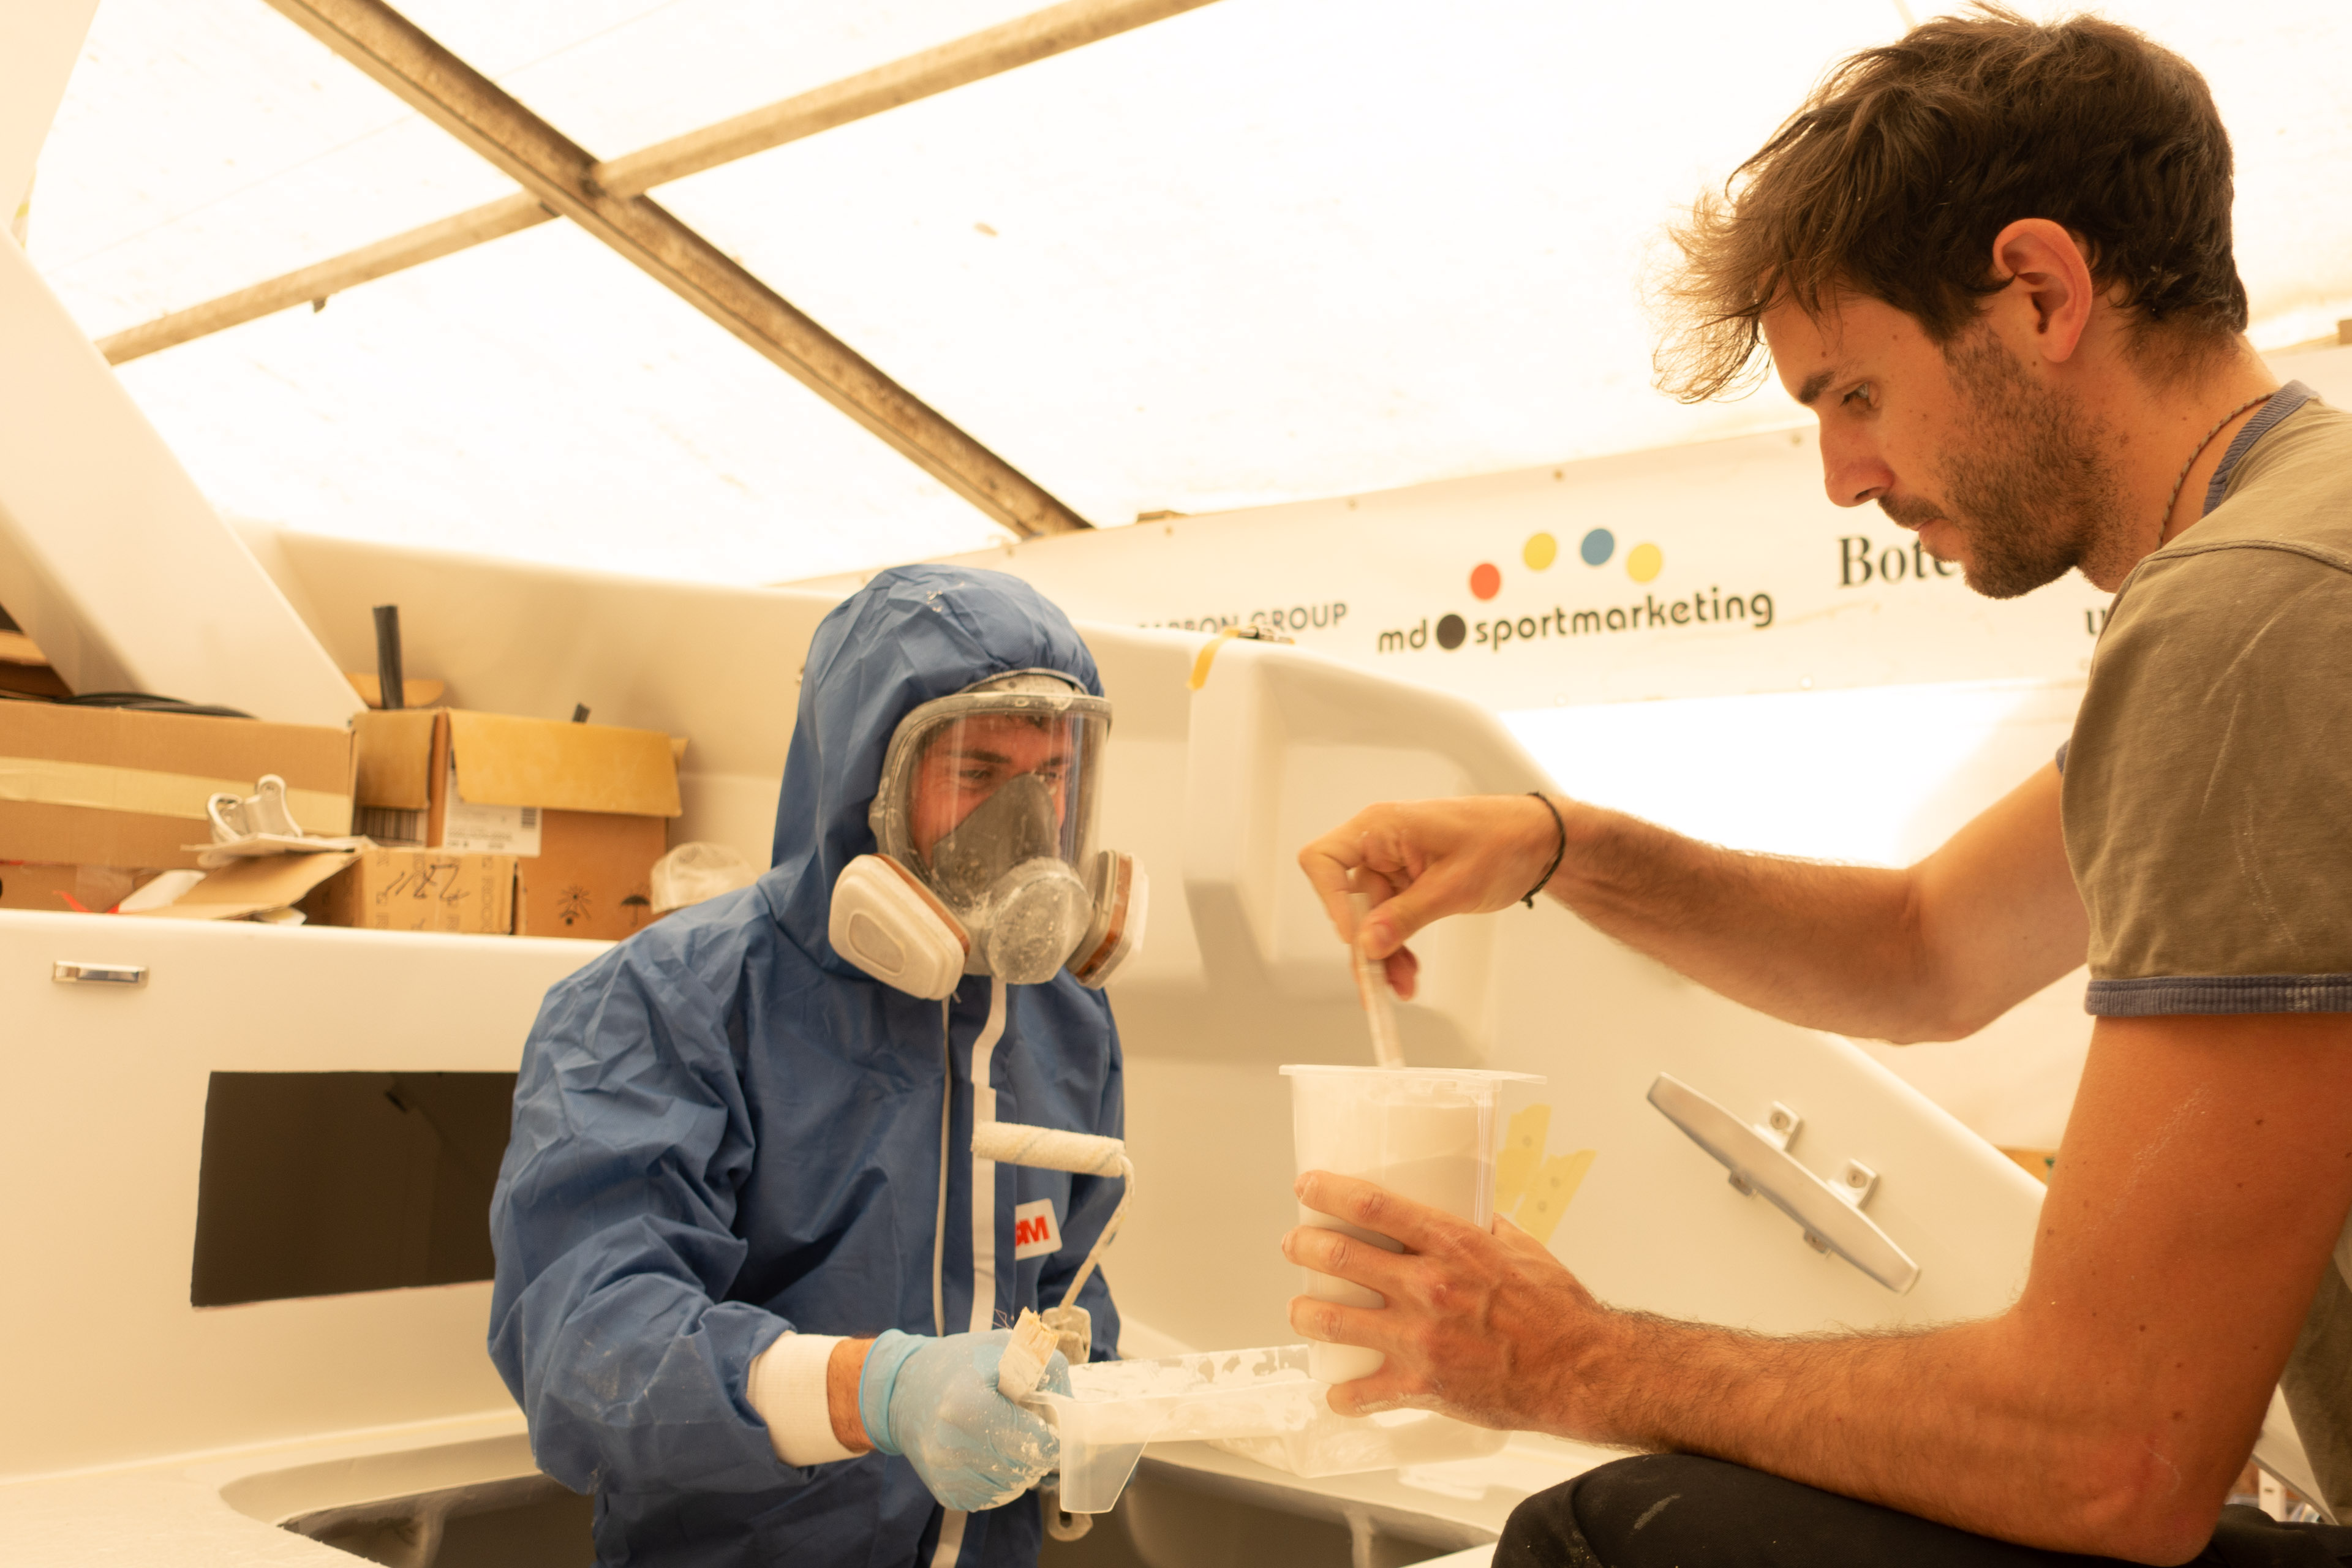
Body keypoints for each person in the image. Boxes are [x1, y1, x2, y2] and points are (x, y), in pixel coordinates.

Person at [1287, 11, 2352, 1567]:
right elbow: (1923, 948)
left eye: (1853, 394)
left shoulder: (2251, 614)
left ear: (2042, 292)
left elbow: (2109, 1448)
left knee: (1611, 1532)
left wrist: (1563, 1355)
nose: (1846, 479)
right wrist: (1558, 846)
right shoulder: (2301, 552)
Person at [489, 565, 1142, 1567]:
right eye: (977, 774)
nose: (1026, 825)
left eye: (1051, 776)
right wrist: (877, 1394)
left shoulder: (1063, 1015)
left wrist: (1097, 1402)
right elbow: (591, 1343)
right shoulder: (665, 1002)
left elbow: (1067, 1282)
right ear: (864, 785)